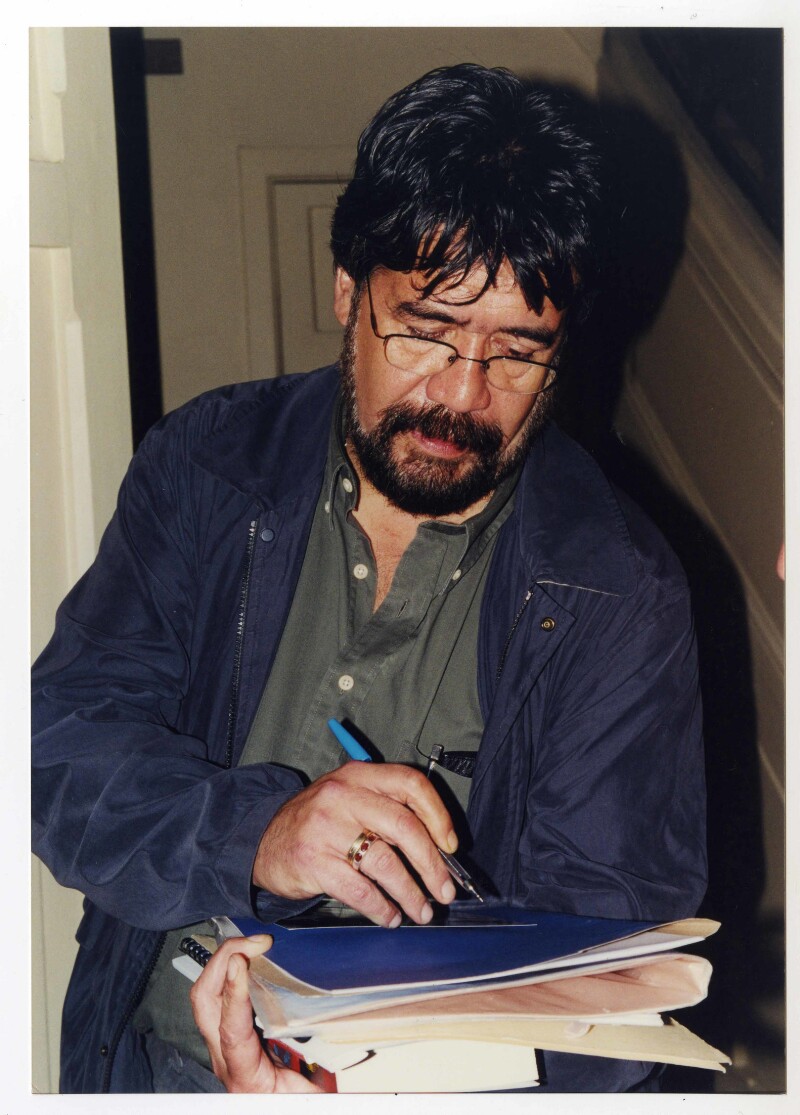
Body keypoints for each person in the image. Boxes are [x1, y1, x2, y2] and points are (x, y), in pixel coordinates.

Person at [32, 63, 707, 1094]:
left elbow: (602, 988)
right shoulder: (206, 468)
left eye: (517, 353)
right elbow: (57, 753)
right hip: (148, 1064)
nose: (463, 397)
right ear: (348, 293)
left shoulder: (618, 594)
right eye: (424, 333)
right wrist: (259, 834)